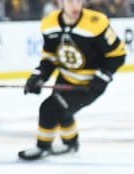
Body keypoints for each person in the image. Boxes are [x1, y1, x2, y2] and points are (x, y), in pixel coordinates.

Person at [18, 0, 126, 160]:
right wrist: (38, 76)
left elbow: (118, 55)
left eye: (78, 1)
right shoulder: (49, 23)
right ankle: (70, 143)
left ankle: (43, 147)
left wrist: (103, 76)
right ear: (60, 2)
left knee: (49, 109)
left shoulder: (96, 23)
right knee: (63, 112)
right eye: (70, 1)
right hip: (65, 79)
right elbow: (50, 58)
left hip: (90, 85)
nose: (75, 6)